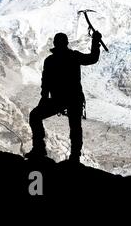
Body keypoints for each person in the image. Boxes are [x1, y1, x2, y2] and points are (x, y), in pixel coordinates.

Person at [25, 31, 102, 163]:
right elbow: (92, 58)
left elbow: (46, 82)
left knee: (35, 116)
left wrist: (44, 99)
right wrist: (95, 41)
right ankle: (75, 157)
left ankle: (39, 149)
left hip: (58, 100)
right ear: (66, 43)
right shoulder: (73, 56)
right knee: (75, 127)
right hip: (74, 99)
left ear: (55, 44)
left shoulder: (50, 61)